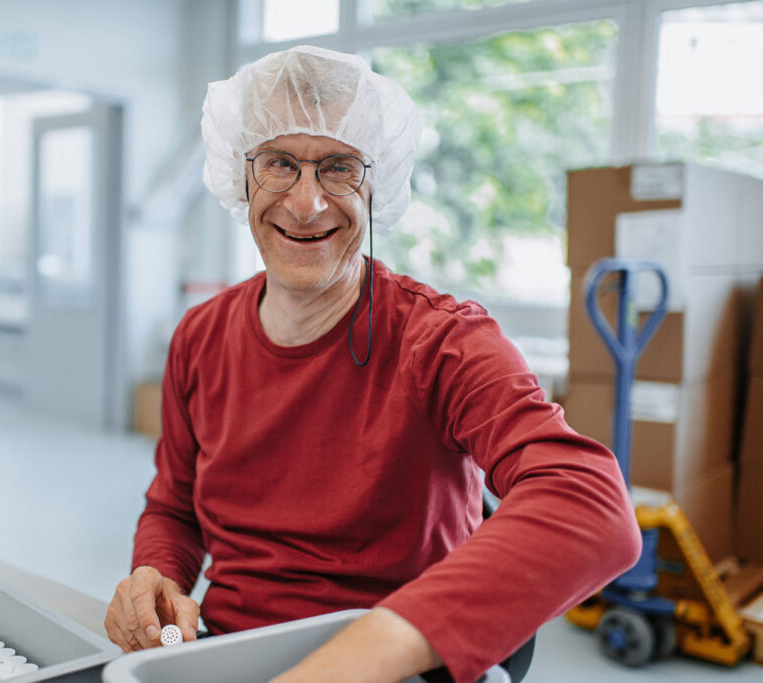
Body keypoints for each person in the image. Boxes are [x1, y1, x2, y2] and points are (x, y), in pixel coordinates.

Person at [104, 45, 640, 682]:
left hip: (393, 661)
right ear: (239, 173)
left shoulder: (440, 340)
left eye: (339, 168)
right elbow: (175, 507)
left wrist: (354, 659)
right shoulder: (199, 337)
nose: (307, 204)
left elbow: (591, 507)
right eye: (278, 163)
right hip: (230, 650)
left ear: (377, 181)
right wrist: (156, 581)